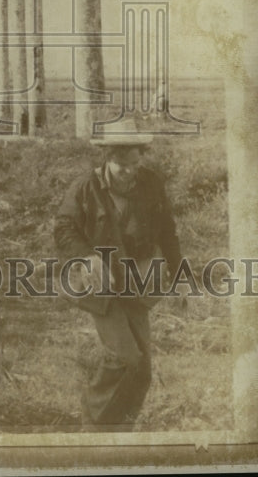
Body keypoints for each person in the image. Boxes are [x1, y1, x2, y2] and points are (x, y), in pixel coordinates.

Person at [54, 133, 182, 430]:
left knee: (143, 368)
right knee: (125, 357)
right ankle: (94, 425)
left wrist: (180, 277)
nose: (129, 170)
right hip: (100, 284)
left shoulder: (151, 183)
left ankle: (122, 429)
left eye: (135, 162)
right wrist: (87, 256)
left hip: (138, 281)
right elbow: (64, 228)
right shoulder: (86, 187)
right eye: (121, 164)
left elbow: (168, 232)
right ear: (107, 159)